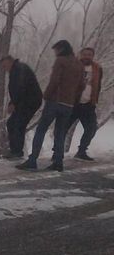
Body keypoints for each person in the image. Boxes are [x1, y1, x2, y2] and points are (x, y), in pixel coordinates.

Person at [16, 40, 84, 172]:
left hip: (55, 101)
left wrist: (46, 96)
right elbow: (82, 85)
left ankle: (32, 160)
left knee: (41, 130)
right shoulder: (79, 64)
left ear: (61, 49)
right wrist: (73, 99)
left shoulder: (60, 61)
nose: (55, 53)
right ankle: (58, 162)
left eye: (56, 50)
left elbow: (55, 80)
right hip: (68, 104)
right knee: (60, 133)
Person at [0, 56, 42, 159]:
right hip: (23, 101)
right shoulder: (16, 70)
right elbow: (15, 90)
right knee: (11, 123)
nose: (5, 69)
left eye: (5, 66)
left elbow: (20, 87)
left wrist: (13, 103)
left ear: (10, 61)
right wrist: (11, 103)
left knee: (18, 124)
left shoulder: (19, 69)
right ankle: (15, 150)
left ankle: (17, 152)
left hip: (30, 101)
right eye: (3, 67)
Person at [67, 47, 103, 161]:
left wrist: (94, 100)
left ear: (92, 56)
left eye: (89, 54)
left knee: (91, 128)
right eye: (85, 54)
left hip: (88, 104)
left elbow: (98, 85)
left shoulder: (97, 68)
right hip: (73, 103)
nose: (87, 56)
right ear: (80, 55)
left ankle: (82, 151)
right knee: (63, 128)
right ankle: (56, 152)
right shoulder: (73, 66)